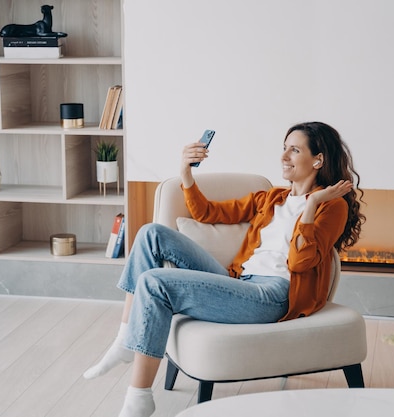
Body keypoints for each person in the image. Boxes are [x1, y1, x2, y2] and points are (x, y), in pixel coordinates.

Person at [83, 121, 365, 417]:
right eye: (284, 148)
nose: (284, 157)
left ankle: (138, 400)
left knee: (156, 283)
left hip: (273, 297)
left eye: (294, 150)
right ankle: (126, 338)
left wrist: (311, 205)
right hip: (240, 282)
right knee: (151, 234)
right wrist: (185, 171)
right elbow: (207, 213)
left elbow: (301, 262)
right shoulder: (271, 199)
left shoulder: (332, 207)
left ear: (318, 160)